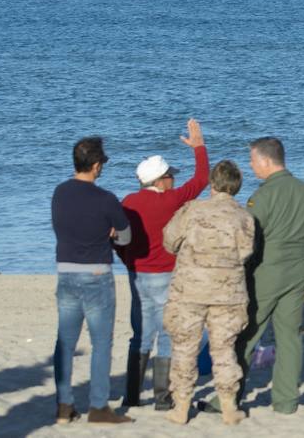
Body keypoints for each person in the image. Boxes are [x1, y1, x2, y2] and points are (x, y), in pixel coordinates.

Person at [215, 136, 304, 416]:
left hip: (266, 271)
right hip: (297, 271)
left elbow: (248, 238)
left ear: (265, 161)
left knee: (247, 334)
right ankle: (286, 401)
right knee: (290, 337)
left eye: (253, 160)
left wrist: (242, 269)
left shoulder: (263, 196)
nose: (251, 166)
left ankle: (228, 399)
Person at [120, 118, 210, 410]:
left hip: (137, 274)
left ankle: (132, 396)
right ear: (160, 180)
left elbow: (117, 239)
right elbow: (201, 180)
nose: (173, 180)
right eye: (170, 176)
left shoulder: (128, 202)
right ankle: (162, 397)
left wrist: (128, 261)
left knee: (140, 335)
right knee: (167, 333)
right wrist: (199, 147)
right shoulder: (170, 200)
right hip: (167, 273)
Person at [162, 159, 256, 426]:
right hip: (228, 292)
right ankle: (228, 407)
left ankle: (181, 407)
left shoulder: (192, 210)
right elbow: (246, 252)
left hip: (189, 289)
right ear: (236, 186)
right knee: (225, 349)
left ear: (213, 183)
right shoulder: (244, 217)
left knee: (184, 347)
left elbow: (169, 241)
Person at [51, 135, 134, 425]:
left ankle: (64, 404)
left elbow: (61, 226)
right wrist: (111, 234)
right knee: (101, 342)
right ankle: (98, 405)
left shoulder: (60, 192)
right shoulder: (106, 199)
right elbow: (126, 237)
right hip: (96, 272)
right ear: (96, 165)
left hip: (66, 270)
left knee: (65, 341)